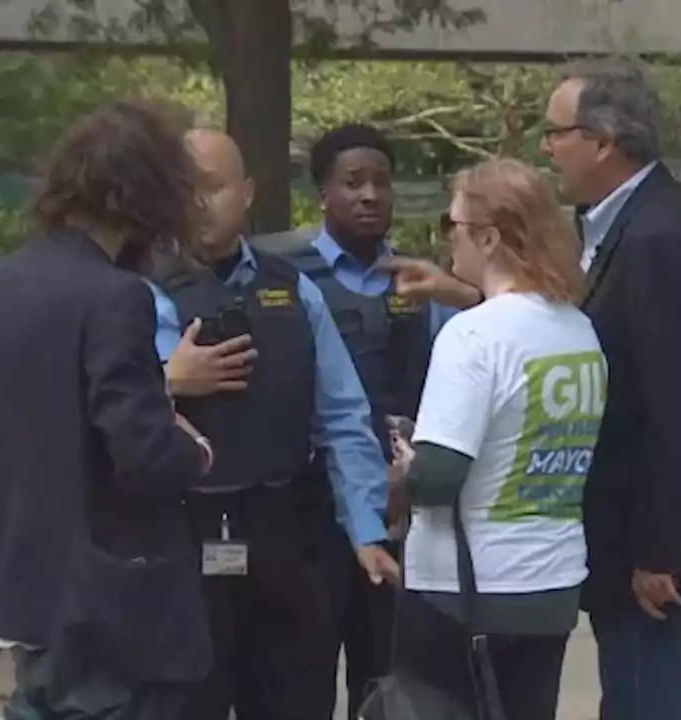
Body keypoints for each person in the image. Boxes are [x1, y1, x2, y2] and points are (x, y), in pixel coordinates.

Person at [384, 57, 681, 720]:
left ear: (604, 141)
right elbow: (546, 320)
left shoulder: (659, 235)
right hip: (606, 541)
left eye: (557, 132)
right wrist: (467, 292)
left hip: (647, 550)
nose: (548, 148)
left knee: (647, 699)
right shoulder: (626, 222)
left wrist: (660, 549)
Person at [0, 100, 214, 719]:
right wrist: (193, 450)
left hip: (18, 589)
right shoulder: (116, 297)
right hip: (109, 605)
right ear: (145, 192)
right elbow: (142, 453)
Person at [148, 127, 400, 720]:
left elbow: (342, 415)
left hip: (282, 529)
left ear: (247, 192)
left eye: (212, 187)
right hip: (179, 537)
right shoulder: (139, 291)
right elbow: (102, 407)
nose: (198, 204)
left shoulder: (294, 290)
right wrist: (168, 381)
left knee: (296, 697)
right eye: (183, 190)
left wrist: (365, 528)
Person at [391, 157, 606, 720]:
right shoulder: (576, 329)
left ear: (487, 238)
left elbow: (438, 476)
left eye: (452, 227)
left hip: (464, 592)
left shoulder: (473, 337)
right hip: (552, 580)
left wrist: (401, 469)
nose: (448, 245)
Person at [278, 123, 454, 720]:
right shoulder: (288, 278)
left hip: (395, 509)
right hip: (306, 508)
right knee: (299, 676)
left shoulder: (419, 281)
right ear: (322, 193)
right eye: (353, 182)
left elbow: (447, 385)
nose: (370, 195)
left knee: (386, 682)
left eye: (381, 181)